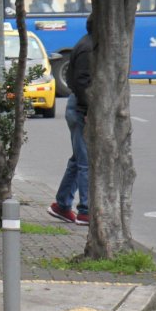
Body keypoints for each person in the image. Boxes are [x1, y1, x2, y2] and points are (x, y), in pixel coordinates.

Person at [48, 16, 93, 226]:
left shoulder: (88, 43)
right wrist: (87, 110)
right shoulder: (88, 48)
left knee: (78, 158)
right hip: (80, 108)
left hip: (79, 106)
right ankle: (85, 210)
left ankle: (62, 205)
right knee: (85, 161)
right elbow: (82, 82)